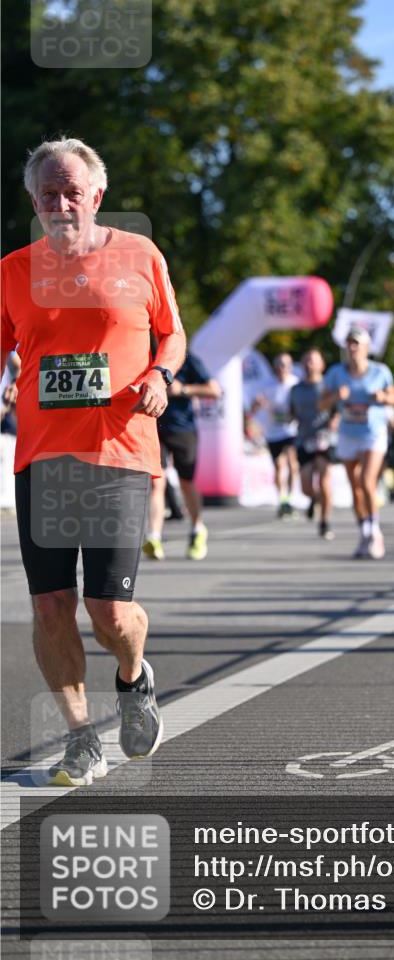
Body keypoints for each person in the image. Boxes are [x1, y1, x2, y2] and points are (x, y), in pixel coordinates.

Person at [0, 138, 186, 786]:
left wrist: (162, 373)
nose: (59, 203)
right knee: (51, 606)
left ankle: (134, 679)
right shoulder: (13, 271)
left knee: (109, 614)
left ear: (96, 196)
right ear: (33, 200)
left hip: (118, 450)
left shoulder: (139, 254)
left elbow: (172, 330)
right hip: (42, 457)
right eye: (47, 194)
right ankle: (80, 738)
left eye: (71, 191)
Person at [321, 325, 394, 559]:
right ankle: (364, 531)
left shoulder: (380, 371)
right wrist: (336, 397)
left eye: (357, 343)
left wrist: (382, 397)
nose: (352, 348)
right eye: (349, 343)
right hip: (347, 433)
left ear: (366, 348)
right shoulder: (336, 373)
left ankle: (375, 532)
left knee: (366, 481)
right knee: (355, 487)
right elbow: (321, 404)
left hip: (373, 432)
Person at [143, 349, 221, 560]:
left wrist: (183, 390)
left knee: (187, 482)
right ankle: (153, 536)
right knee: (156, 482)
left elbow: (215, 390)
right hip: (154, 427)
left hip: (182, 429)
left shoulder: (187, 359)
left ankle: (197, 528)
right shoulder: (145, 353)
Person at [289, 348, 336, 540]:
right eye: (307, 360)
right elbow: (291, 413)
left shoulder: (327, 386)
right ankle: (315, 499)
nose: (310, 364)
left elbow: (339, 408)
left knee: (325, 480)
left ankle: (325, 522)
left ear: (321, 365)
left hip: (325, 438)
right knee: (305, 486)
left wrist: (336, 420)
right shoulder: (296, 389)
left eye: (314, 361)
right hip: (304, 439)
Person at [251, 353, 299, 518]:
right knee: (279, 466)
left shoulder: (295, 384)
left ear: (290, 367)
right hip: (273, 432)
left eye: (285, 365)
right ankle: (283, 499)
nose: (281, 368)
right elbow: (254, 408)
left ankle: (291, 498)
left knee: (292, 464)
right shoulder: (267, 385)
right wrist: (257, 404)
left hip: (292, 430)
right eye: (279, 364)